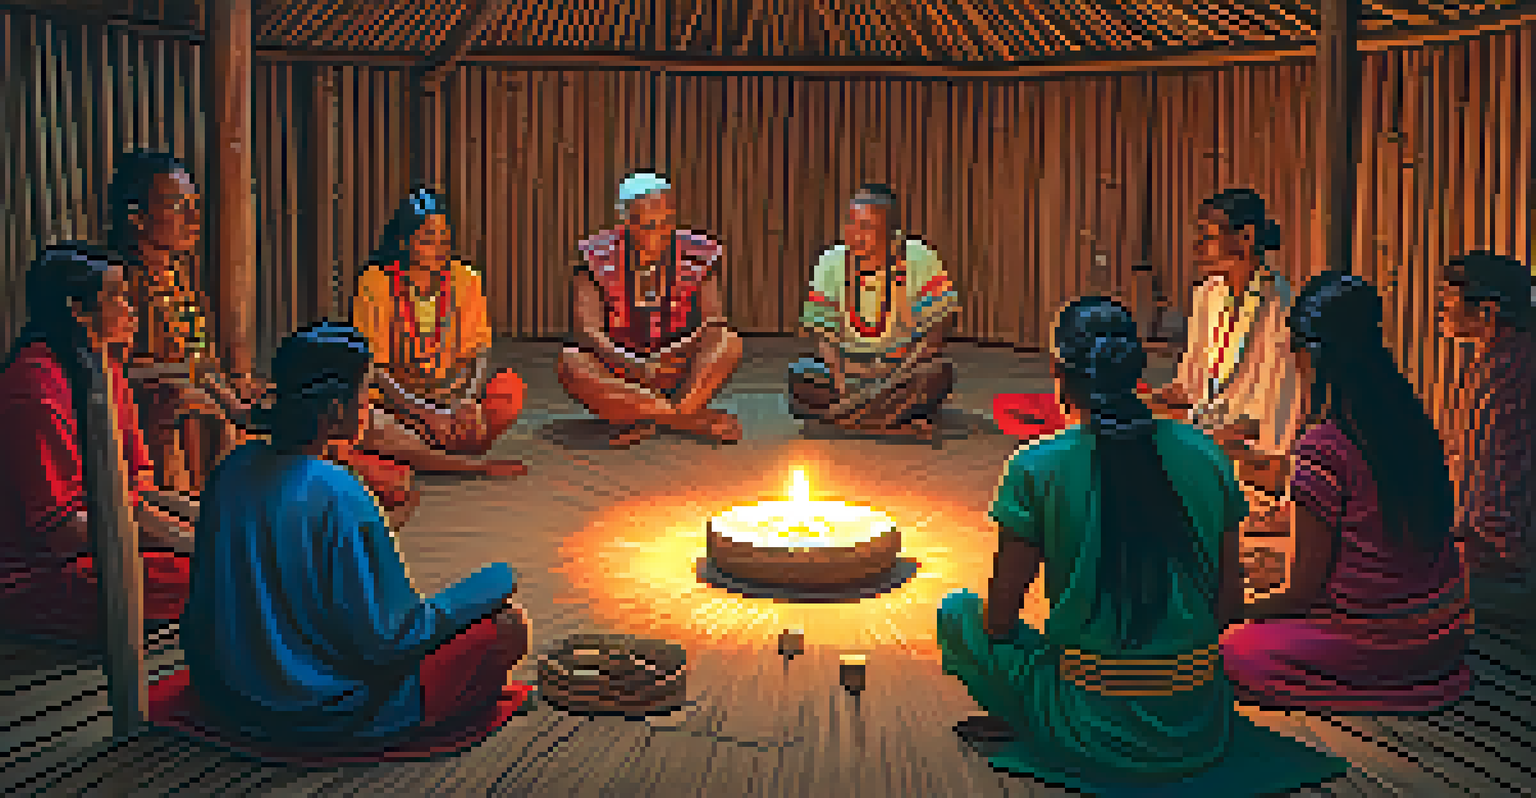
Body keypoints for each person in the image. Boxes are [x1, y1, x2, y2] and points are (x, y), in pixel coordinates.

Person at [936, 297, 1346, 794]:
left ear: (1058, 372)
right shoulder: (1206, 455)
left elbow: (999, 622)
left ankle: (1046, 712)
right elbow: (1228, 606)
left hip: (1085, 726)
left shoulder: (1035, 466)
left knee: (958, 614)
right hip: (1197, 724)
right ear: (1136, 372)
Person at [181, 322, 530, 748]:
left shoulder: (230, 468)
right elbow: (389, 640)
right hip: (317, 709)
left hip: (228, 693)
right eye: (364, 393)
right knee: (507, 627)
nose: (368, 405)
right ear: (332, 410)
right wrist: (495, 580)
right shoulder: (341, 492)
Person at [109, 149, 418, 511]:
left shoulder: (178, 279)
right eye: (177, 206)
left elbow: (202, 360)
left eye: (194, 205)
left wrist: (235, 389)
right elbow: (119, 371)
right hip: (171, 416)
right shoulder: (120, 287)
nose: (193, 218)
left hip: (215, 401)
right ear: (137, 219)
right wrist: (220, 396)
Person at [1220, 272, 1472, 714]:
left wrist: (1230, 605)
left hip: (1387, 642)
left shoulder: (1324, 444)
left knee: (1229, 649)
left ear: (1309, 356)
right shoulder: (1409, 419)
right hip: (1446, 630)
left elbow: (1299, 594)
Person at [0, 243, 197, 644]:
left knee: (226, 559)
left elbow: (139, 492)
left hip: (106, 540)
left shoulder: (103, 367)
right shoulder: (34, 386)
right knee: (208, 573)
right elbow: (60, 530)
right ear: (77, 308)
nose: (131, 309)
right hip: (39, 571)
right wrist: (198, 542)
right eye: (118, 297)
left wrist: (211, 520)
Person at [1147, 189, 1302, 531]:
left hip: (1250, 443)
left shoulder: (1281, 308)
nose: (1197, 245)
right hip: (1209, 426)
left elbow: (1276, 415)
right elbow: (1189, 387)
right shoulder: (1207, 295)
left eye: (1207, 234)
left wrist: (1210, 434)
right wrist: (1141, 401)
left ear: (1245, 238)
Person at [558, 172, 745, 447]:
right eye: (647, 226)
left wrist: (674, 353)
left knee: (728, 343)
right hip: (622, 375)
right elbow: (588, 332)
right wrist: (636, 365)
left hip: (679, 370)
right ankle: (683, 419)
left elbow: (714, 323)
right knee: (571, 364)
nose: (658, 234)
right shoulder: (596, 256)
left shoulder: (697, 253)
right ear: (624, 223)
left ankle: (657, 415)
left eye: (665, 222)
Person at [352, 189, 528, 476]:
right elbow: (372, 367)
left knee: (509, 389)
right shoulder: (376, 282)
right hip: (397, 404)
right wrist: (424, 413)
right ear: (404, 241)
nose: (439, 249)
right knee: (364, 417)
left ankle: (424, 448)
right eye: (427, 240)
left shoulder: (467, 279)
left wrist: (468, 402)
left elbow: (479, 352)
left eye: (444, 241)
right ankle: (453, 457)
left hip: (453, 400)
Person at [790, 184, 957, 441]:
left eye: (866, 227)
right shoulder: (831, 262)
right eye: (851, 224)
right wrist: (842, 383)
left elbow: (936, 332)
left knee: (938, 373)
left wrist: (897, 375)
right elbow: (824, 338)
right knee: (800, 374)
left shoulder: (919, 258)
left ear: (892, 234)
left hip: (902, 371)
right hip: (847, 375)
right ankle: (888, 423)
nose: (854, 235)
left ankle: (843, 420)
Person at [1437, 251, 1535, 587]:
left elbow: (1496, 477)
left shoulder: (1507, 373)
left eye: (1449, 301)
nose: (1442, 310)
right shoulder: (1498, 360)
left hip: (1500, 564)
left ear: (1487, 311)